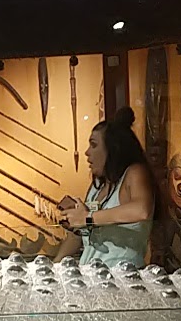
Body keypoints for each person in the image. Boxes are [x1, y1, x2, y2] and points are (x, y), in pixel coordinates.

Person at [54, 108, 156, 267]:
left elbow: (142, 210)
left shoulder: (134, 173)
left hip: (123, 275)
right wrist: (55, 265)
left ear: (112, 148)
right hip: (92, 274)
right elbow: (78, 236)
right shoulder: (97, 187)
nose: (87, 152)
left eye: (94, 145)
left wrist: (88, 218)